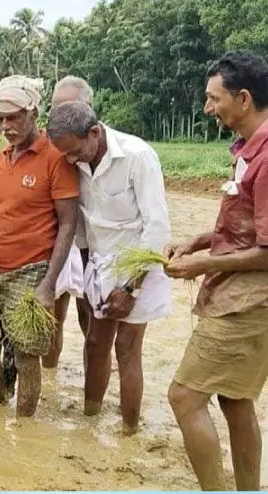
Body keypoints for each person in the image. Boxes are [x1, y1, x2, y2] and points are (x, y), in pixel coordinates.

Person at [165, 51, 268, 491]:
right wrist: (200, 240)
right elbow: (247, 224)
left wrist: (202, 264)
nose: (208, 107)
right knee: (236, 399)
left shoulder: (267, 158)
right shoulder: (247, 149)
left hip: (248, 301)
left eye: (214, 98)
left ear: (243, 98)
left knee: (184, 397)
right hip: (242, 296)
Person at [0, 75, 78, 416]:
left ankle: (23, 429)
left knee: (26, 357)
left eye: (14, 117)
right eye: (0, 119)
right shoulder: (0, 159)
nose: (6, 126)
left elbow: (69, 223)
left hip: (30, 273)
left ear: (34, 113)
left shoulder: (55, 158)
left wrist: (49, 286)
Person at [47, 101, 172, 434]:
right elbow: (84, 229)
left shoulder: (138, 157)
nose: (71, 161)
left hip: (140, 266)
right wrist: (89, 278)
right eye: (65, 156)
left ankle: (129, 430)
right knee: (94, 343)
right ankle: (90, 419)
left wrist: (132, 287)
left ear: (94, 132)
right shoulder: (74, 160)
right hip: (100, 266)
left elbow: (157, 227)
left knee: (126, 348)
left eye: (75, 152)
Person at [43, 75, 94, 369]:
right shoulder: (48, 145)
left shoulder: (101, 146)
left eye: (70, 107)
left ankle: (92, 386)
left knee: (92, 319)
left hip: (94, 243)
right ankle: (50, 381)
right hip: (59, 241)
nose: (62, 114)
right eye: (56, 107)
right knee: (52, 316)